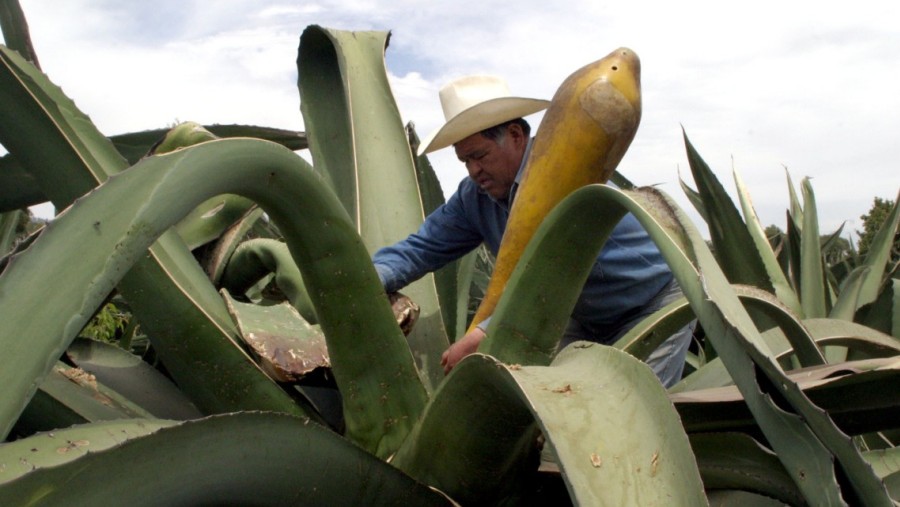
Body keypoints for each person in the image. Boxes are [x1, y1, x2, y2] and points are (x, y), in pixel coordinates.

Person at [373, 75, 694, 387]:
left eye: (480, 156)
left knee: (634, 413)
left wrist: (484, 333)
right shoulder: (474, 197)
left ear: (515, 135)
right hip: (583, 316)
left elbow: (555, 270)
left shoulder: (567, 175)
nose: (473, 171)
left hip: (654, 300)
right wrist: (370, 279)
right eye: (464, 161)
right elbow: (422, 247)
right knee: (562, 409)